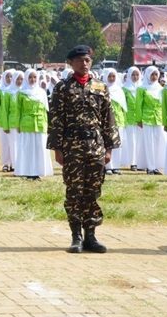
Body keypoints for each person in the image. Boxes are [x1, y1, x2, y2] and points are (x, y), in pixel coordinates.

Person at [48, 45, 119, 254]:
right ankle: (76, 236)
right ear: (71, 63)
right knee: (74, 191)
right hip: (72, 147)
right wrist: (57, 149)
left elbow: (108, 119)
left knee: (93, 191)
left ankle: (91, 235)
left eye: (87, 60)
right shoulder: (62, 88)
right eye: (80, 60)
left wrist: (109, 149)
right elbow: (56, 120)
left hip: (96, 147)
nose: (84, 63)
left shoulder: (100, 87)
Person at [14, 69, 53, 180]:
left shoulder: (41, 92)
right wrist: (18, 124)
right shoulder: (21, 93)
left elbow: (45, 110)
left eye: (34, 77)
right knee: (27, 148)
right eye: (30, 77)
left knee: (40, 147)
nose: (32, 79)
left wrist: (47, 125)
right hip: (26, 124)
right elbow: (18, 110)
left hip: (40, 124)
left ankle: (38, 171)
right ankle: (28, 172)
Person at [136, 66, 166, 175]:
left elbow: (163, 105)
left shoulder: (161, 89)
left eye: (156, 74)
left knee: (159, 142)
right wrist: (138, 119)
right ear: (147, 75)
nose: (154, 77)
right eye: (152, 74)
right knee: (149, 143)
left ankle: (157, 166)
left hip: (158, 118)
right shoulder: (141, 88)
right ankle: (150, 167)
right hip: (146, 118)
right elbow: (138, 105)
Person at [102, 68, 126, 176]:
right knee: (107, 143)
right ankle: (108, 167)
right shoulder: (102, 89)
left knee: (117, 144)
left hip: (119, 120)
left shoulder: (119, 90)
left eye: (113, 76)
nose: (111, 79)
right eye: (109, 76)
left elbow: (123, 107)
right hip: (107, 120)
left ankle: (116, 166)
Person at [0, 70, 16, 172]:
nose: (9, 79)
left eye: (11, 77)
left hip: (13, 121)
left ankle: (15, 163)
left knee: (14, 143)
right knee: (5, 143)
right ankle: (6, 163)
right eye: (8, 77)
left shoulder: (17, 90)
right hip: (2, 121)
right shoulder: (0, 90)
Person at [121, 67, 141, 171]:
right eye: (133, 75)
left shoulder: (142, 88)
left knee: (140, 141)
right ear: (129, 75)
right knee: (131, 141)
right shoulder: (125, 89)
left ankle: (140, 162)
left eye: (137, 75)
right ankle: (133, 163)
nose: (135, 77)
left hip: (141, 119)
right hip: (129, 119)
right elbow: (123, 106)